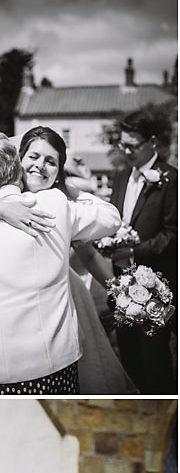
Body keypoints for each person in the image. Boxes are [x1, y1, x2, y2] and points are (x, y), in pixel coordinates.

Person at [0, 127, 133, 395]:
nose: (40, 166)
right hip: (61, 360)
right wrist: (1, 207)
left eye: (51, 162)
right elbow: (111, 218)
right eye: (33, 157)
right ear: (18, 162)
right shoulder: (58, 206)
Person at [103, 110, 178, 394]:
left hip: (157, 287)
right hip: (121, 286)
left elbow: (172, 235)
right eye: (123, 144)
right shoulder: (121, 177)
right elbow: (114, 221)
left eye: (133, 145)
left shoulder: (172, 179)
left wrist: (134, 250)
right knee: (129, 360)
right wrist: (108, 242)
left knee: (155, 362)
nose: (126, 151)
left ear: (152, 142)